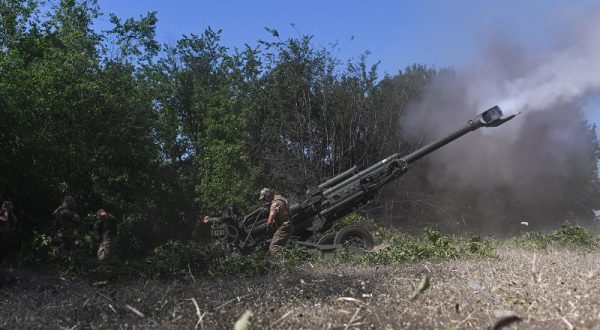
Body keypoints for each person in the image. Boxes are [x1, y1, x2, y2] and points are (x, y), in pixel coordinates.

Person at [259, 188, 293, 257]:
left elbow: (270, 220)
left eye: (264, 198)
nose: (264, 201)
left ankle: (285, 265)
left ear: (268, 195)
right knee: (279, 247)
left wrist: (268, 227)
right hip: (288, 225)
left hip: (284, 227)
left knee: (273, 248)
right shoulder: (280, 198)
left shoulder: (274, 203)